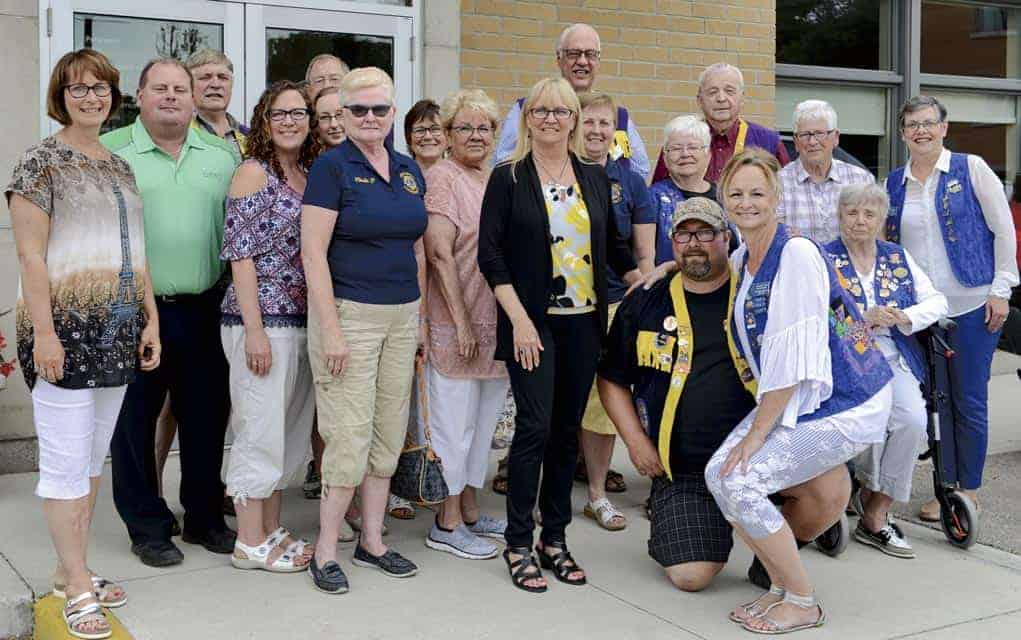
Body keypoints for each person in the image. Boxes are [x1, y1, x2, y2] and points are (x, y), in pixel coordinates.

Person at [703, 148, 893, 634]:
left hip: (847, 398)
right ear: (724, 198)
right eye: (736, 193)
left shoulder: (796, 254)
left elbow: (793, 360)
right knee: (719, 474)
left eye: (757, 193)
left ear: (777, 197)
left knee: (740, 481)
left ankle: (804, 601)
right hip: (802, 396)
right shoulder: (744, 255)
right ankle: (779, 587)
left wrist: (756, 435)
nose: (746, 202)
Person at [7, 49, 160, 639]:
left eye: (101, 88)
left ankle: (71, 569)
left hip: (117, 332)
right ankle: (74, 586)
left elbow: (135, 251)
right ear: (60, 96)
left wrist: (149, 319)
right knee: (65, 466)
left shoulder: (119, 166)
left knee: (92, 461)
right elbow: (30, 257)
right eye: (78, 88)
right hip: (63, 336)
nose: (91, 97)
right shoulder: (39, 162)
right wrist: (45, 335)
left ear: (113, 96)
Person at [478, 77, 640, 593]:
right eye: (541, 111)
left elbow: (613, 246)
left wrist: (642, 277)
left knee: (566, 432)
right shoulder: (508, 177)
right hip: (532, 324)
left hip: (584, 325)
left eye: (561, 111)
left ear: (574, 120)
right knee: (534, 428)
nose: (551, 119)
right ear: (528, 119)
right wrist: (520, 321)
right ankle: (518, 543)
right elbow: (491, 256)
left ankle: (555, 539)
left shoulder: (593, 176)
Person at [103, 58, 239, 568]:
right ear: (139, 96)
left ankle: (204, 517)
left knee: (206, 417)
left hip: (205, 307)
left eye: (180, 89)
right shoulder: (112, 152)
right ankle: (147, 526)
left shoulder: (221, 154)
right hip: (133, 311)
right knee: (134, 423)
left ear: (192, 98)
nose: (171, 96)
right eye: (159, 88)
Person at [303, 67, 426, 593]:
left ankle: (372, 542)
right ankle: (325, 550)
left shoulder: (408, 169)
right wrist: (331, 329)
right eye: (359, 109)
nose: (370, 117)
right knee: (348, 436)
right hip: (350, 315)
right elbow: (312, 253)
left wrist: (419, 321)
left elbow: (417, 248)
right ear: (343, 114)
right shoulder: (331, 168)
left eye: (380, 108)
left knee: (388, 433)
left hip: (402, 315)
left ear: (393, 112)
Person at [598, 198, 757, 590]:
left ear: (727, 238)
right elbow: (612, 378)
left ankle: (771, 556)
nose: (694, 243)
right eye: (683, 235)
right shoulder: (646, 298)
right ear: (672, 242)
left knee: (827, 491)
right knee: (690, 576)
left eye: (705, 232)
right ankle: (704, 519)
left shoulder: (755, 293)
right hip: (686, 468)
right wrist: (636, 442)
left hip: (757, 461)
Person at [884, 95, 1019, 520]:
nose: (921, 131)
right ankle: (944, 488)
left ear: (943, 128)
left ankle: (968, 490)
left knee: (968, 399)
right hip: (922, 312)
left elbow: (1004, 231)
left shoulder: (971, 168)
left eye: (929, 123)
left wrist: (1001, 289)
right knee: (934, 401)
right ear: (902, 133)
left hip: (973, 305)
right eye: (912, 125)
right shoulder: (893, 183)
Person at [220, 80, 320, 573]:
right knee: (258, 430)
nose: (289, 121)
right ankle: (249, 541)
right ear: (264, 120)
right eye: (279, 113)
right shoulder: (252, 172)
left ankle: (272, 529)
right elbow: (240, 256)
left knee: (287, 434)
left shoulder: (307, 174)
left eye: (298, 113)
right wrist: (254, 329)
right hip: (259, 322)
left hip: (301, 321)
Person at [824, 183, 947, 558]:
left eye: (869, 214)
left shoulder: (897, 256)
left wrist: (903, 316)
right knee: (869, 424)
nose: (860, 221)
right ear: (840, 216)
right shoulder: (824, 258)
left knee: (912, 421)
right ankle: (860, 496)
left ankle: (877, 507)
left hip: (894, 357)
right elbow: (814, 312)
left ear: (881, 220)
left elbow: (937, 302)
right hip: (847, 362)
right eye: (852, 213)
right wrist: (862, 319)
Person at [421, 88, 509, 560]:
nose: (476, 135)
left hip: (494, 326)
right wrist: (461, 323)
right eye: (465, 127)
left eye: (484, 127)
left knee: (481, 425)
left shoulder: (493, 178)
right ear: (448, 134)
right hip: (457, 325)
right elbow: (439, 254)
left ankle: (471, 510)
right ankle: (447, 522)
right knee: (453, 429)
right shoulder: (443, 178)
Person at [575, 92, 656, 531]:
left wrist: (638, 299)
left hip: (613, 303)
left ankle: (597, 494)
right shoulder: (558, 171)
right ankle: (548, 491)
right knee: (557, 400)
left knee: (602, 403)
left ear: (615, 130)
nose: (596, 130)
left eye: (604, 123)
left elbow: (643, 252)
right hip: (564, 305)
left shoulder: (630, 181)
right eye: (588, 122)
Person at [494, 23, 651, 180]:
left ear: (598, 61)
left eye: (590, 54)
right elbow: (502, 164)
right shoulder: (528, 109)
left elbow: (641, 170)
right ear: (559, 59)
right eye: (573, 54)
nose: (582, 61)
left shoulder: (618, 116)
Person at [651, 63, 789, 184]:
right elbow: (657, 193)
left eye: (729, 91)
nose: (721, 98)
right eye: (712, 92)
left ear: (742, 98)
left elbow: (785, 194)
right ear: (699, 100)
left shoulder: (768, 142)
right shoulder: (679, 141)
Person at [777, 100, 874, 245]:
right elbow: (775, 241)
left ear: (835, 137)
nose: (812, 141)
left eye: (819, 133)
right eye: (804, 135)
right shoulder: (778, 183)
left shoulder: (861, 180)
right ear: (795, 142)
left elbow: (874, 237)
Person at [649, 115, 716, 265]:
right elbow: (643, 257)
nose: (685, 154)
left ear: (708, 155)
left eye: (693, 147)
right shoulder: (652, 199)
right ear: (665, 158)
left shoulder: (725, 197)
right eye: (676, 148)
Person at [185, 49, 248, 161]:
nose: (215, 84)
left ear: (231, 85)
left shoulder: (250, 138)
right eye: (205, 77)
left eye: (222, 77)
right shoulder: (177, 135)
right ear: (189, 86)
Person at [405, 99, 448, 173]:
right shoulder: (397, 176)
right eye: (420, 130)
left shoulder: (460, 177)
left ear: (448, 136)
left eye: (435, 129)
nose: (428, 137)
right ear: (409, 138)